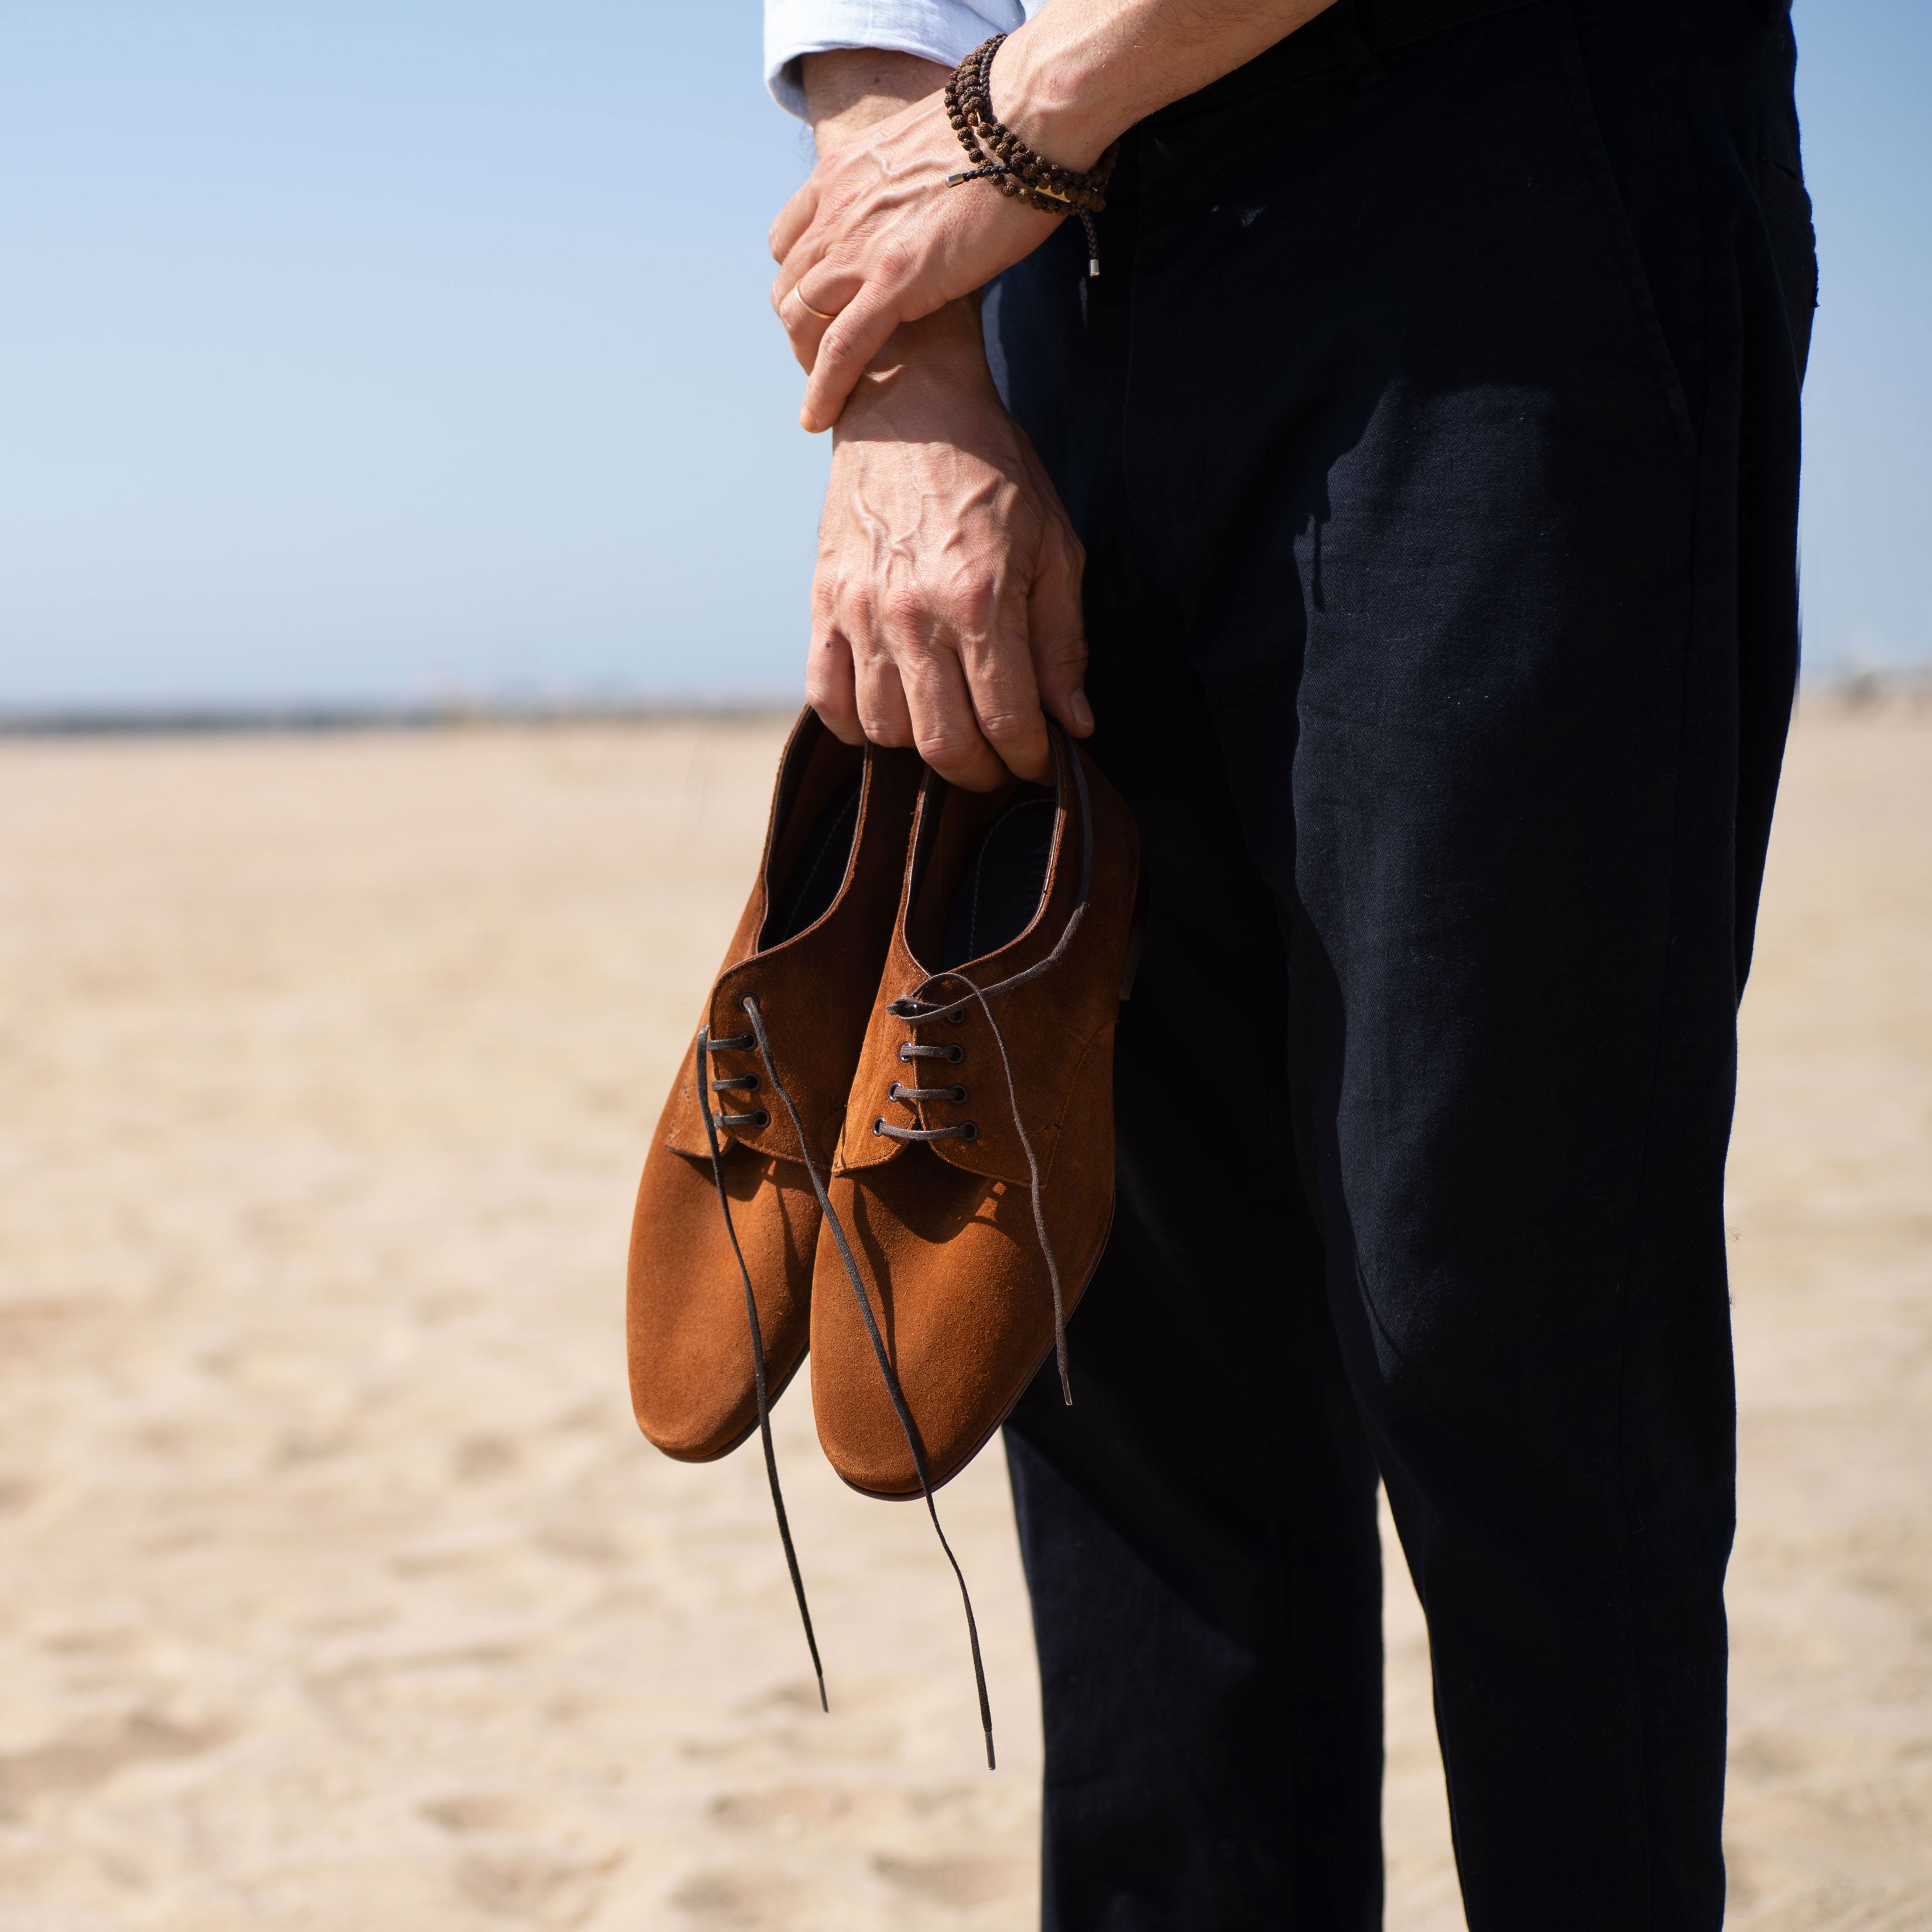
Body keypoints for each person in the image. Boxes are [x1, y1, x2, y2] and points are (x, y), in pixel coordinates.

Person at [759, 0, 1815, 1924]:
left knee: (1502, 1324)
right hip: (1042, 265)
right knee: (1113, 1351)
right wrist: (907, 368)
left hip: (1501, 173)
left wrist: (1017, 119)